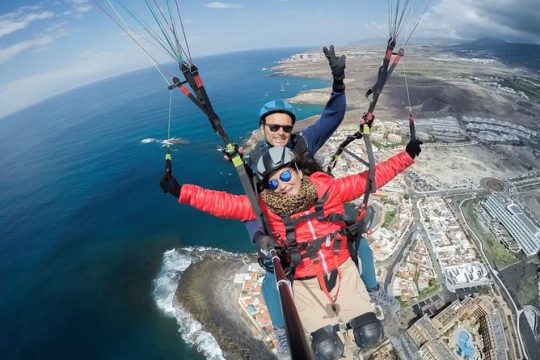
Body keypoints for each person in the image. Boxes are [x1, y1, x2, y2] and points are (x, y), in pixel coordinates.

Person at [160, 140, 423, 359]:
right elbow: (224, 204)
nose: (282, 185)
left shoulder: (328, 189)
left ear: (298, 170)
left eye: (285, 176)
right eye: (273, 183)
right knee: (327, 349)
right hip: (305, 282)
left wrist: (407, 156)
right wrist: (182, 192)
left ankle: (367, 307)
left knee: (370, 334)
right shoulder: (267, 208)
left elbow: (370, 180)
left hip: (342, 269)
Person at [240, 45, 347, 357]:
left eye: (286, 127)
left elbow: (333, 116)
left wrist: (338, 82)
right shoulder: (255, 163)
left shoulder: (303, 144)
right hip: (285, 230)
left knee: (354, 239)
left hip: (315, 218)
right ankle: (284, 331)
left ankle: (366, 299)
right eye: (274, 127)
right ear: (263, 129)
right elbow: (250, 207)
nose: (281, 133)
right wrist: (259, 237)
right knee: (272, 280)